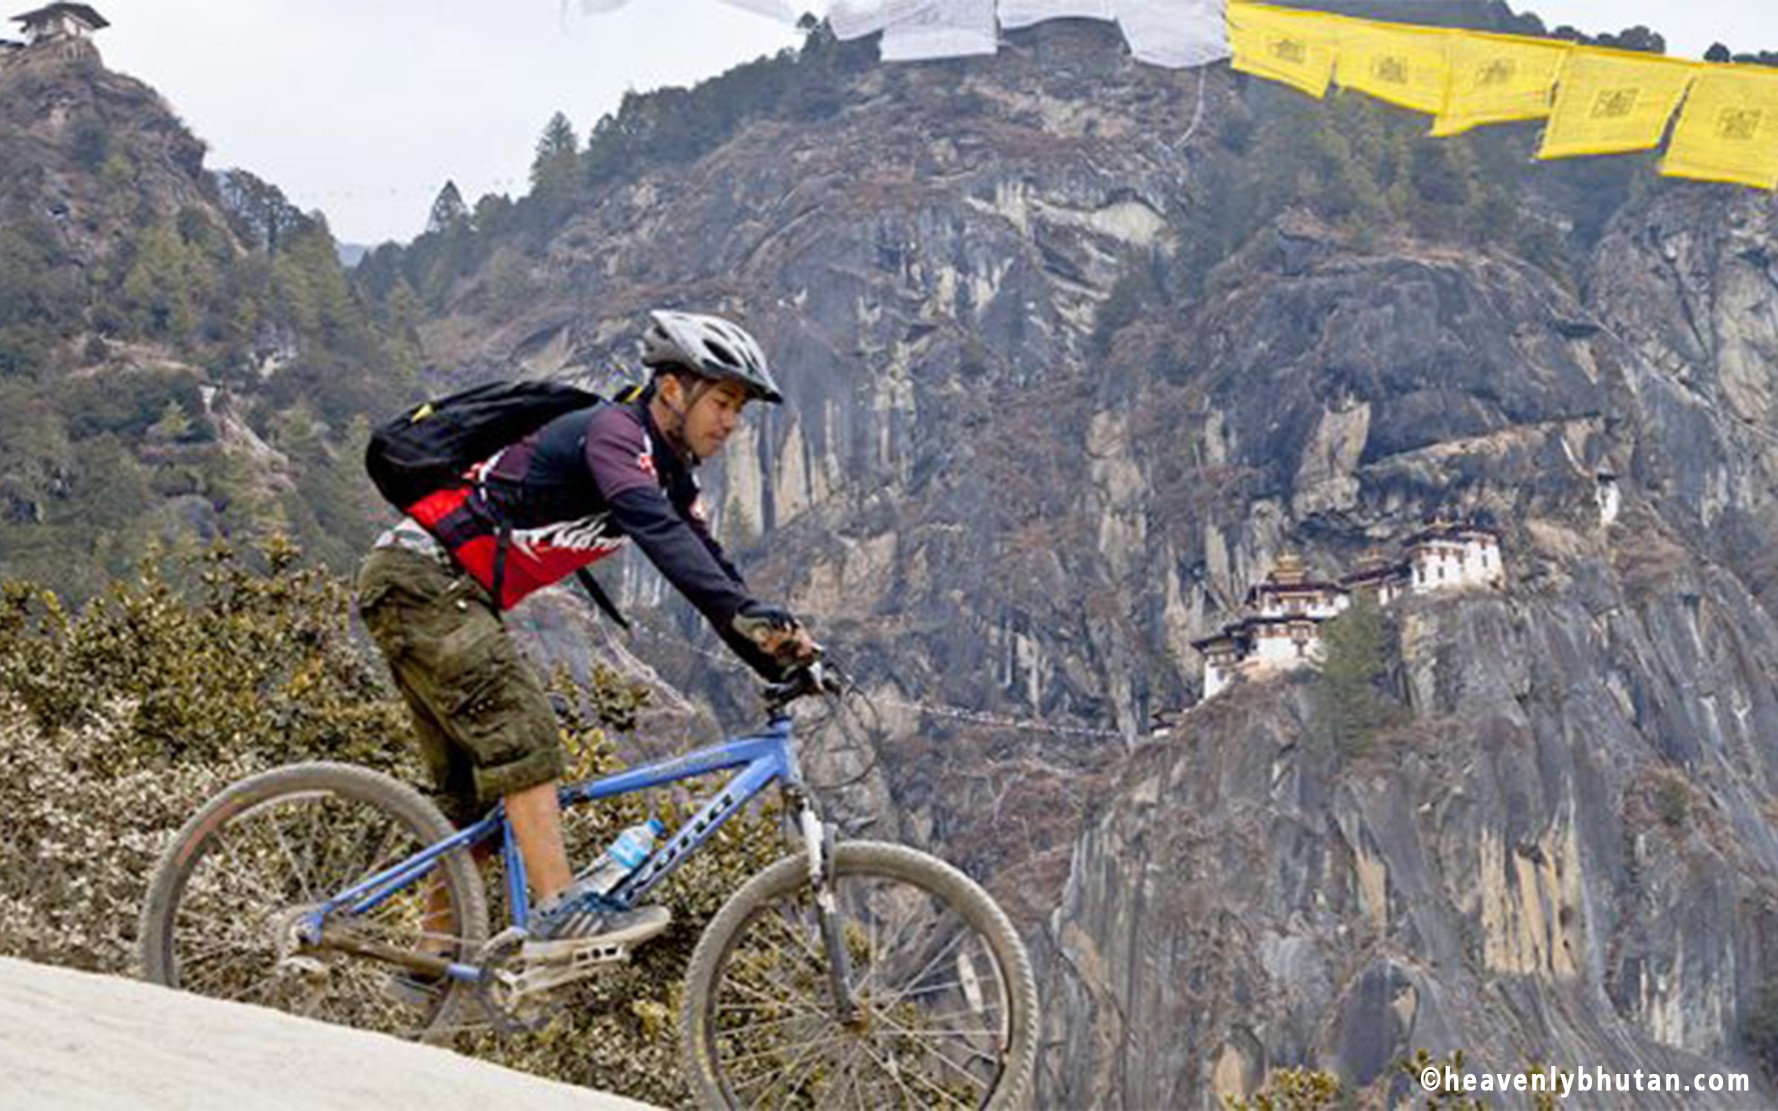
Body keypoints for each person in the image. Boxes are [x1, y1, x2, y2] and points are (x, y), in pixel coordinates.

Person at [356, 310, 817, 967]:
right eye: (721, 401)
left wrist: (775, 648)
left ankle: (427, 963)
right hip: (422, 580)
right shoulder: (612, 435)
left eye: (738, 409)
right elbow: (660, 536)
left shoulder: (669, 474)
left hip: (441, 593)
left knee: (482, 798)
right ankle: (558, 913)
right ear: (671, 389)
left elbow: (710, 565)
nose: (731, 423)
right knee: (527, 738)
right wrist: (750, 619)